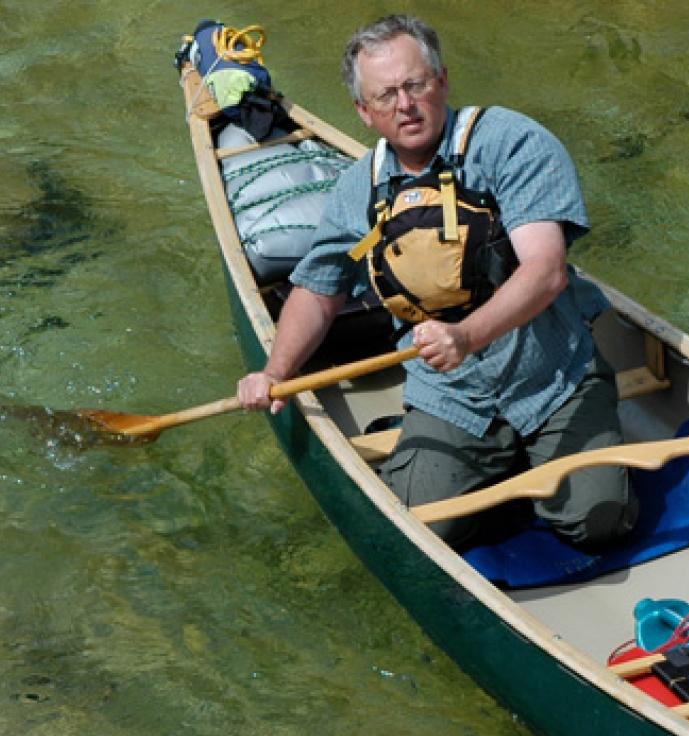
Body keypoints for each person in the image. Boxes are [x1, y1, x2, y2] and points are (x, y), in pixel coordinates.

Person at [237, 14, 638, 550]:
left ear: (442, 81)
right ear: (363, 112)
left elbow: (546, 272)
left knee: (599, 524)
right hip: (452, 394)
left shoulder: (509, 142)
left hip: (552, 376)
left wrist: (466, 337)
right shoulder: (359, 190)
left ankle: (553, 464)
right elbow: (318, 289)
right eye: (385, 96)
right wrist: (274, 372)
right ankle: (479, 465)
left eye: (415, 85)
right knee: (422, 529)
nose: (405, 105)